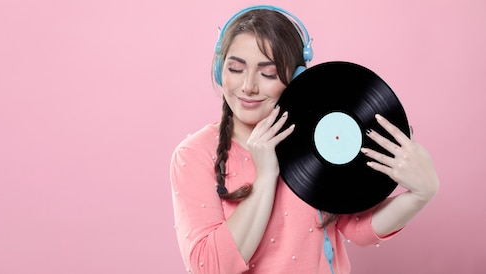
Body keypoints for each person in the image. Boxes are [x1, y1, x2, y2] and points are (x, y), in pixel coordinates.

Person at [169, 5, 439, 274]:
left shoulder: (318, 139)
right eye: (236, 69)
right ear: (219, 70)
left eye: (269, 74)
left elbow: (356, 228)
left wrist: (420, 195)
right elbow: (211, 267)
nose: (248, 86)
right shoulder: (194, 155)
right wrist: (265, 178)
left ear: (297, 79)